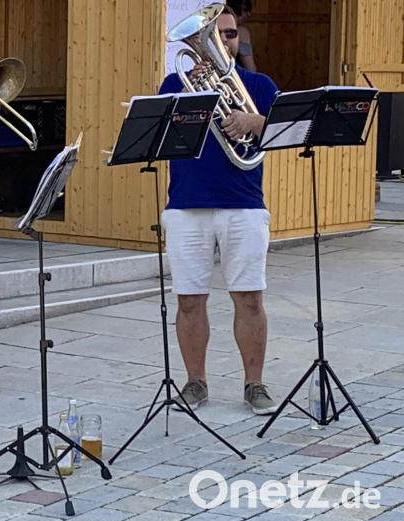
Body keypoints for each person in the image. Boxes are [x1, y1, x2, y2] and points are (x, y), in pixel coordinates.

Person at [159, 7, 279, 416]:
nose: (224, 41)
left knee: (249, 299)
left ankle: (254, 384)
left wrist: (253, 120)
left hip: (243, 203)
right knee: (189, 300)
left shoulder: (259, 85)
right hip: (186, 205)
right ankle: (195, 383)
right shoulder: (176, 83)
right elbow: (159, 135)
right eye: (217, 33)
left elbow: (283, 131)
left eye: (229, 35)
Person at [225, 0, 257, 72]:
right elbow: (250, 67)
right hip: (236, 75)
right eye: (247, 11)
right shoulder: (242, 32)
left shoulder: (215, 27)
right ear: (242, 12)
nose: (248, 15)